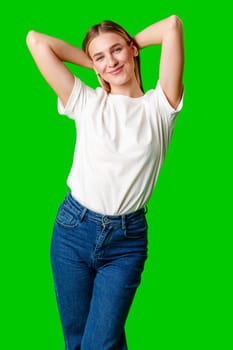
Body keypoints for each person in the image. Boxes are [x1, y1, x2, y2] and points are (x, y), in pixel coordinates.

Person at [26, 15, 184, 350]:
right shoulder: (87, 101)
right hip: (72, 231)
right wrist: (95, 63)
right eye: (100, 57)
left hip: (125, 244)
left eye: (117, 51)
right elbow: (36, 41)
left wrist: (129, 44)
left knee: (102, 342)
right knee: (77, 341)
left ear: (132, 50)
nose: (111, 61)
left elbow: (172, 26)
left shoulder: (160, 106)